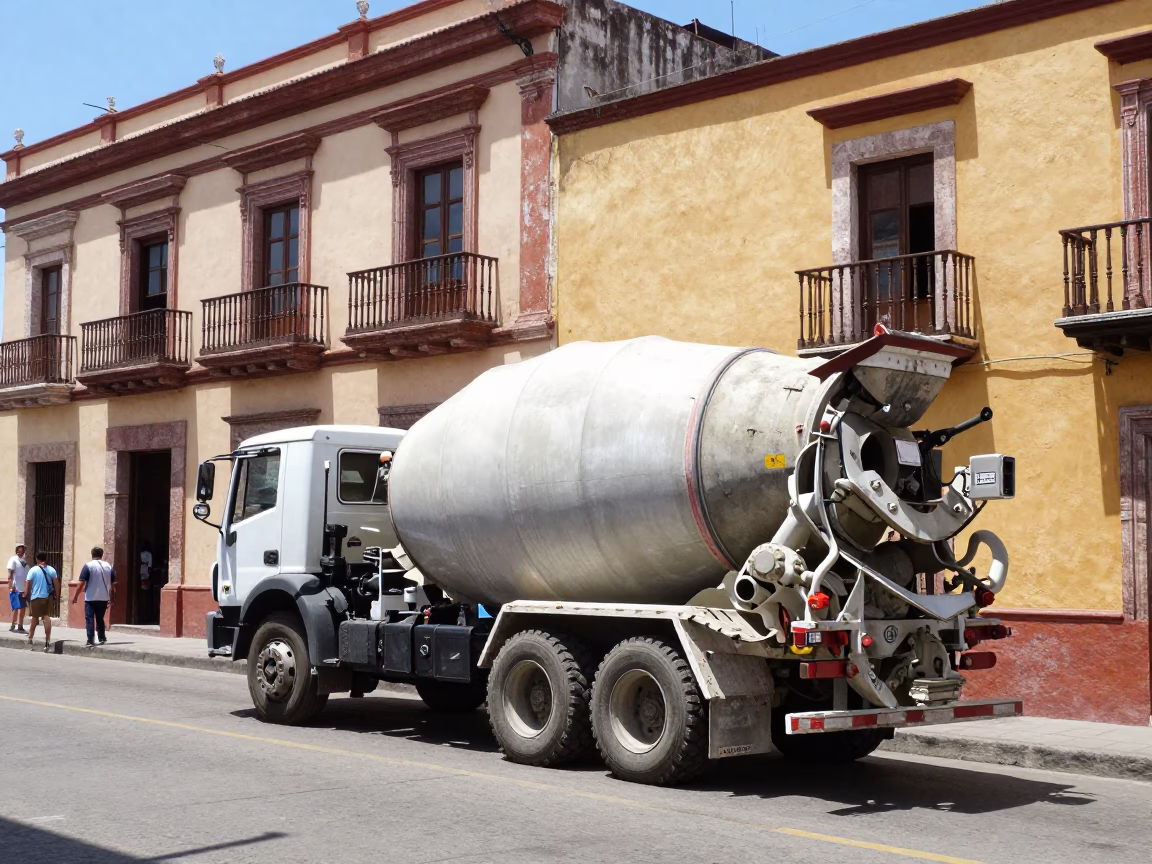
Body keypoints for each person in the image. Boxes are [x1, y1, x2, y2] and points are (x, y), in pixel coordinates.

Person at [73, 546, 116, 647]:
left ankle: (90, 639)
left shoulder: (88, 566)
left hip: (91, 597)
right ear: (102, 555)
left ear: (92, 554)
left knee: (89, 618)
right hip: (104, 597)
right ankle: (102, 637)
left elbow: (81, 583)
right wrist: (112, 597)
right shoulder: (108, 566)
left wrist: (76, 596)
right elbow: (113, 584)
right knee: (100, 618)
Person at [23, 551, 59, 653]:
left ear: (37, 559)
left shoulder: (33, 570)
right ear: (46, 559)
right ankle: (47, 641)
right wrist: (57, 595)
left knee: (35, 618)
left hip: (36, 597)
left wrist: (25, 594)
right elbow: (56, 584)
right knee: (46, 617)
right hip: (48, 597)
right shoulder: (52, 570)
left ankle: (30, 638)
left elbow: (28, 583)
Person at [8, 543, 28, 633]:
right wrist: (11, 586)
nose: (22, 550)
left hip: (23, 588)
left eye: (23, 549)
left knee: (23, 607)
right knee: (16, 607)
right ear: (17, 550)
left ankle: (20, 625)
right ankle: (13, 623)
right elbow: (10, 573)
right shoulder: (13, 560)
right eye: (21, 549)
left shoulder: (24, 561)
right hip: (16, 587)